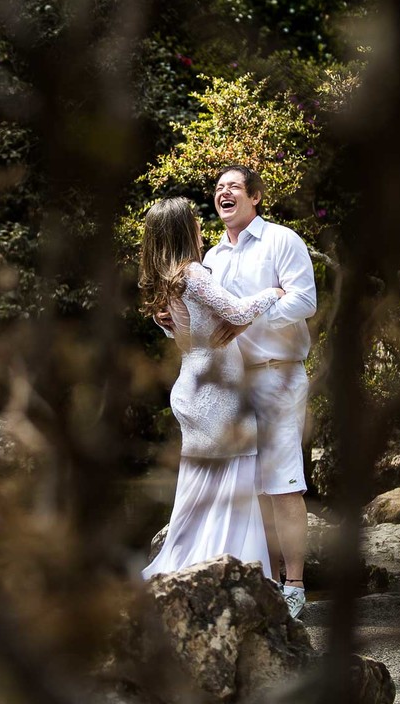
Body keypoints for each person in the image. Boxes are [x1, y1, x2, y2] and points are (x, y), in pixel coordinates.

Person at [157, 165, 316, 618]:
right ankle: (250, 579)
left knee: (283, 482)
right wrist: (169, 323)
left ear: (256, 197)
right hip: (227, 389)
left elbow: (304, 300)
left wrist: (246, 316)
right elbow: (206, 325)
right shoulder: (211, 262)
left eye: (233, 187)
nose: (223, 193)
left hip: (278, 374)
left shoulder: (282, 240)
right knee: (240, 484)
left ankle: (295, 586)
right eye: (218, 188)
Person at [138, 197, 285, 581]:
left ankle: (190, 569)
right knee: (230, 487)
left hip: (193, 385)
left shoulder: (167, 281)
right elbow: (236, 313)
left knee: (201, 489)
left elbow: (179, 330)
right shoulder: (193, 274)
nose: (201, 227)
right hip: (215, 393)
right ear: (183, 230)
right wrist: (275, 293)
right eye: (194, 222)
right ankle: (227, 574)